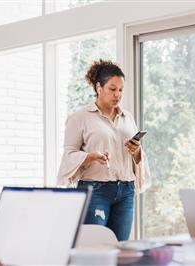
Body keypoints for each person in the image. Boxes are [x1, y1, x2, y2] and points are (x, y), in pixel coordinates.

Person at [57, 59, 150, 241]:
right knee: (95, 247)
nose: (118, 95)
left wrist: (136, 150)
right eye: (112, 89)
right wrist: (90, 157)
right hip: (96, 190)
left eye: (121, 90)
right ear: (99, 87)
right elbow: (68, 155)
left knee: (120, 248)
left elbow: (138, 156)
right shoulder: (80, 118)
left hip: (126, 190)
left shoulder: (127, 117)